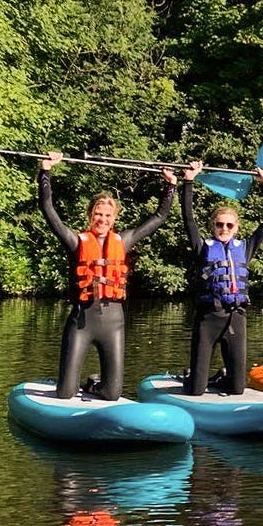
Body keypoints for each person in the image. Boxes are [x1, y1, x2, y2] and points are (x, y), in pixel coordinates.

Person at [37, 151, 176, 400]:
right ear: (90, 215)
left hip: (113, 323)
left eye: (107, 215)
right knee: (65, 393)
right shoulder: (75, 241)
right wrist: (45, 172)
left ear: (114, 219)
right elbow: (48, 210)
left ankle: (94, 385)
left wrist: (171, 186)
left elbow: (159, 217)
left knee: (112, 394)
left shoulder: (124, 240)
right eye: (98, 214)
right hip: (81, 322)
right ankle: (72, 384)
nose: (102, 219)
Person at [180, 163, 263, 394]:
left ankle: (222, 378)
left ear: (236, 228)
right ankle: (192, 377)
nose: (224, 228)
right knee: (196, 390)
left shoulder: (245, 248)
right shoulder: (203, 247)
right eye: (219, 224)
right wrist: (189, 182)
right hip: (208, 318)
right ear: (213, 226)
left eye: (229, 225)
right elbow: (188, 219)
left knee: (237, 389)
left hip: (236, 318)